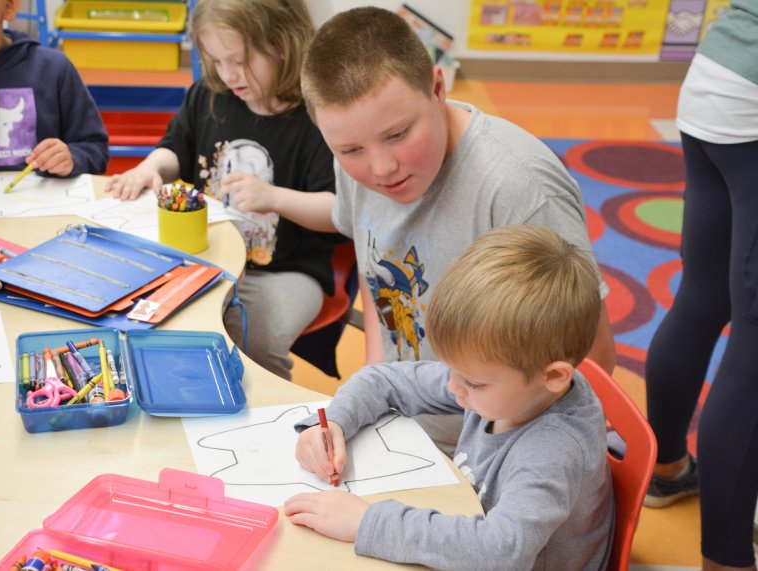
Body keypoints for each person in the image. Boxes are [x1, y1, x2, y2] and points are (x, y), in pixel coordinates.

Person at [225, 6, 615, 455]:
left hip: (492, 451)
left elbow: (592, 359)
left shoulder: (519, 188)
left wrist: (487, 456)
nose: (380, 168)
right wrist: (372, 384)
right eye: (350, 149)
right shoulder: (356, 161)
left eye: (398, 134)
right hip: (401, 419)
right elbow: (378, 274)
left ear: (436, 87)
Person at [284, 226, 614, 571]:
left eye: (473, 382)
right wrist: (334, 422)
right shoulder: (513, 383)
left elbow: (502, 551)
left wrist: (368, 523)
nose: (454, 387)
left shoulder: (553, 451)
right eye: (452, 369)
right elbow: (382, 378)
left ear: (554, 377)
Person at [104, 0, 341, 380]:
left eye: (240, 60)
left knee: (253, 337)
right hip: (208, 257)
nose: (228, 74)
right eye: (216, 61)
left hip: (284, 271)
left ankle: (268, 409)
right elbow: (174, 148)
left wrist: (274, 198)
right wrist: (150, 167)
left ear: (284, 42)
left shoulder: (318, 116)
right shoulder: (209, 96)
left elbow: (337, 211)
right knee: (148, 313)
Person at [643, 3, 758, 570]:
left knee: (702, 294)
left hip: (717, 76)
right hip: (754, 102)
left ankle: (664, 469)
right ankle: (728, 560)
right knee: (755, 350)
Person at [0, 0, 108, 176]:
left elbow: (95, 150)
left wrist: (72, 158)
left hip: (44, 201)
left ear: (9, 7)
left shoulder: (53, 68)